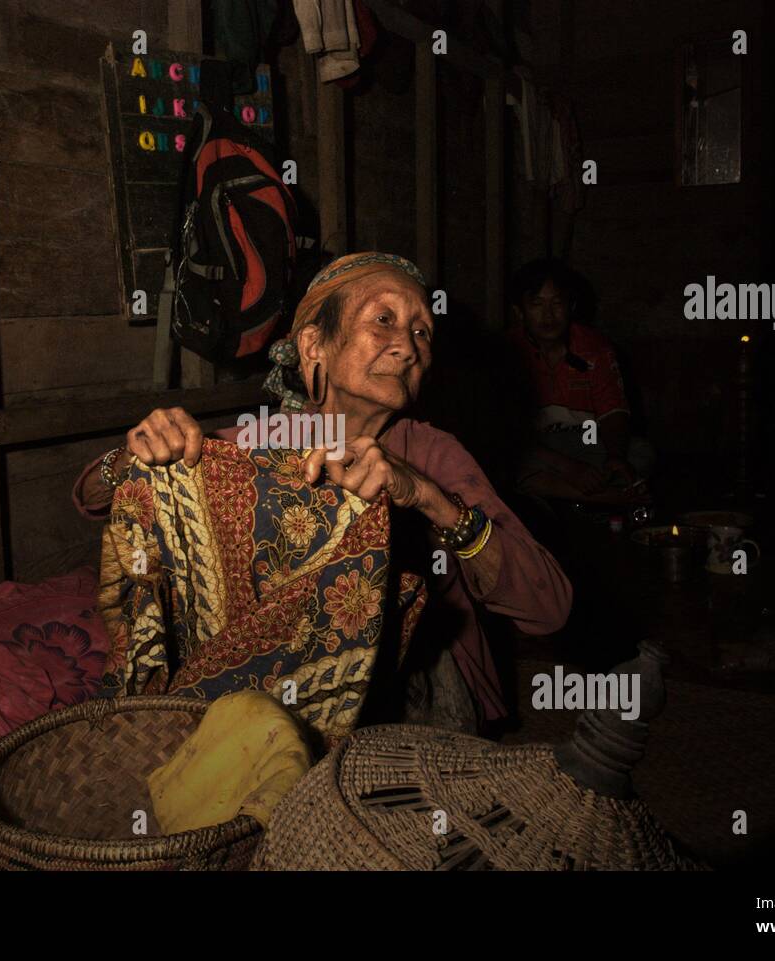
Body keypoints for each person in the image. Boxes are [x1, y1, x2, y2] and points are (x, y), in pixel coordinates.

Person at [74, 252, 572, 735]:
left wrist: (428, 497)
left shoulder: (432, 453)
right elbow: (101, 494)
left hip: (415, 685)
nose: (408, 346)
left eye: (421, 331)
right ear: (315, 346)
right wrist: (136, 454)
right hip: (283, 674)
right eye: (383, 319)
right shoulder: (270, 442)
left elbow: (548, 609)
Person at [506, 258, 653, 504]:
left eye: (557, 303)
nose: (548, 315)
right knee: (502, 458)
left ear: (571, 307)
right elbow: (506, 430)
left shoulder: (595, 348)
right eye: (537, 304)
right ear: (519, 312)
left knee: (641, 454)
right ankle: (606, 497)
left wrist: (615, 457)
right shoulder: (506, 351)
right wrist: (569, 469)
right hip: (535, 449)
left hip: (584, 441)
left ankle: (564, 491)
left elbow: (613, 410)